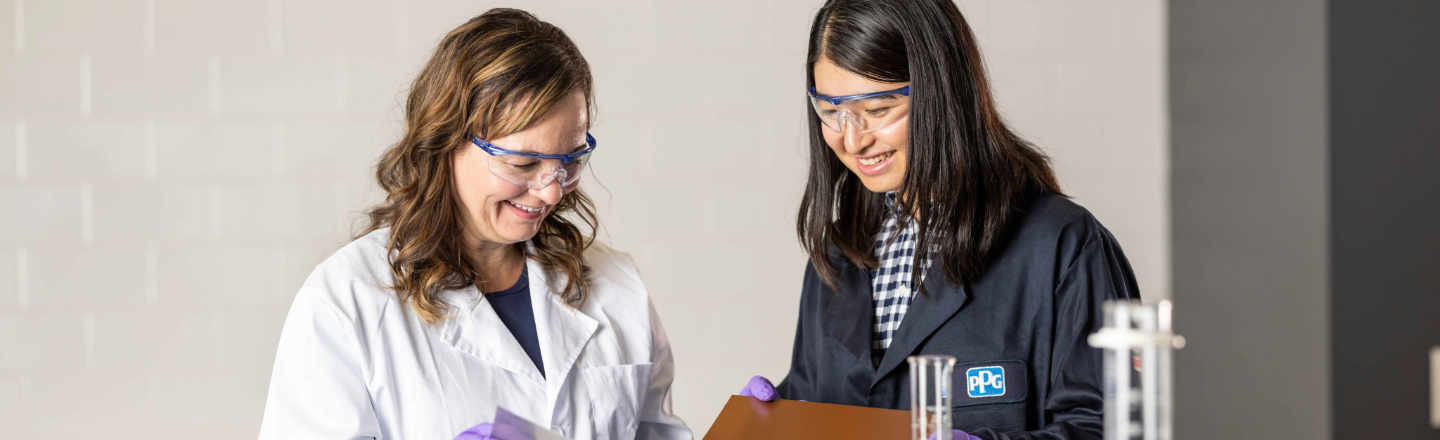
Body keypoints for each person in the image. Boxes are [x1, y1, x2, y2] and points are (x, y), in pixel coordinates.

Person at [258, 9, 691, 440]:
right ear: (444, 141)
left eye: (569, 162)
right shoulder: (345, 304)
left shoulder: (618, 285)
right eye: (522, 163)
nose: (552, 192)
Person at [738, 1, 1140, 439]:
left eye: (877, 110)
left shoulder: (1062, 246)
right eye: (832, 112)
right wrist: (778, 418)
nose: (853, 139)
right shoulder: (839, 253)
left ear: (943, 93)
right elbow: (823, 404)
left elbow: (1117, 428)